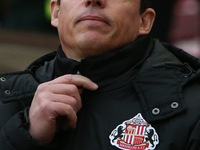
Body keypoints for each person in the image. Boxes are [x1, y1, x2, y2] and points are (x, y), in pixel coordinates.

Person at [0, 0, 200, 150]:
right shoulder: (7, 100)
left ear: (144, 21)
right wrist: (25, 137)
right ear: (56, 13)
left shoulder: (193, 106)